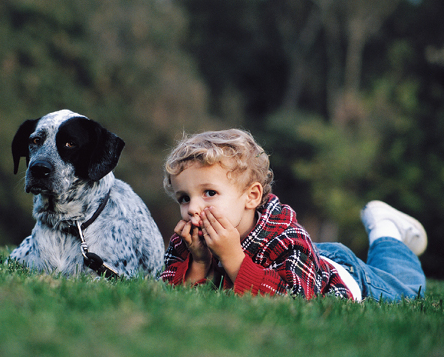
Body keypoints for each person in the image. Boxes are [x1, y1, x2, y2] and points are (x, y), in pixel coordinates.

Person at [160, 129, 427, 301]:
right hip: (314, 258)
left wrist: (233, 258)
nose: (193, 208)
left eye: (208, 193)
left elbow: (296, 298)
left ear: (251, 196)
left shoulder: (286, 235)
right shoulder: (189, 239)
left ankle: (385, 229)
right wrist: (198, 262)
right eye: (184, 198)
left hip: (341, 276)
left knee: (405, 289)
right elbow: (170, 294)